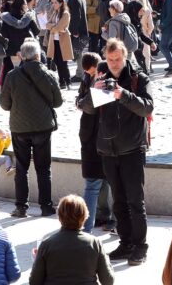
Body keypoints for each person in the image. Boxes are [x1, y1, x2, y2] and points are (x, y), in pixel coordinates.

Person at [95, 39, 153, 265]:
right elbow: (90, 110)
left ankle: (140, 245)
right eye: (109, 60)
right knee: (118, 201)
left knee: (135, 202)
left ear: (125, 56)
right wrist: (95, 90)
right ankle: (126, 242)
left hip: (132, 149)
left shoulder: (139, 79)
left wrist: (123, 94)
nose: (114, 64)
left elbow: (147, 107)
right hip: (109, 151)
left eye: (117, 59)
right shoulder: (102, 78)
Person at [0, 40, 63, 218]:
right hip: (43, 127)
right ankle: (46, 206)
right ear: (38, 55)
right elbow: (58, 102)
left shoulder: (12, 76)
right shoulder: (48, 74)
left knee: (21, 168)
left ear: (22, 56)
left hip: (19, 128)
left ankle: (21, 207)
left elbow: (5, 105)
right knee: (44, 168)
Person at [30, 195, 115, 285]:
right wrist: (105, 258)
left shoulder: (46, 244)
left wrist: (37, 260)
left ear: (59, 217)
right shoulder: (94, 243)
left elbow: (34, 282)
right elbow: (108, 281)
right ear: (85, 216)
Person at [75, 53, 111, 233]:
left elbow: (89, 105)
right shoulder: (87, 78)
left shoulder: (105, 81)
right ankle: (101, 217)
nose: (92, 75)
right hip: (90, 137)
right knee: (98, 182)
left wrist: (91, 94)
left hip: (104, 137)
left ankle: (88, 227)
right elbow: (80, 102)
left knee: (98, 183)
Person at [46, 0, 74, 90]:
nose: (53, 5)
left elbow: (59, 27)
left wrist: (54, 28)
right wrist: (55, 27)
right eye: (53, 3)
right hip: (54, 41)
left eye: (55, 3)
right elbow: (47, 25)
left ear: (61, 3)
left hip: (63, 41)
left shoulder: (65, 14)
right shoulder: (55, 12)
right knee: (57, 62)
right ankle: (61, 82)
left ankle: (68, 82)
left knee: (63, 62)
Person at [65, 0, 88, 82]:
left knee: (78, 53)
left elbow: (76, 16)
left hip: (78, 31)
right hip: (82, 29)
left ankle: (80, 74)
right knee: (79, 52)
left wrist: (74, 31)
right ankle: (81, 72)